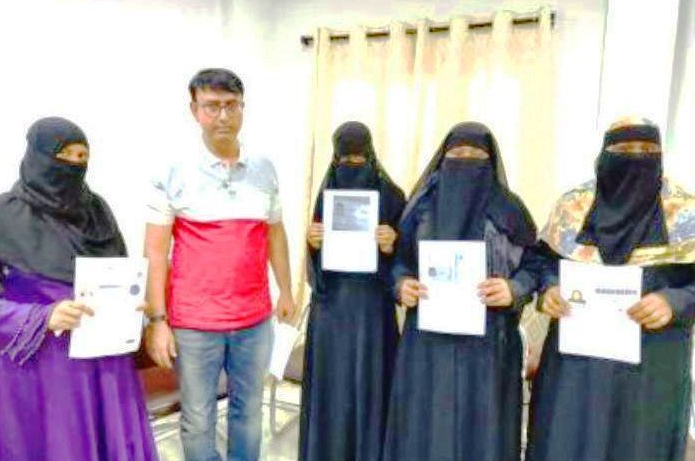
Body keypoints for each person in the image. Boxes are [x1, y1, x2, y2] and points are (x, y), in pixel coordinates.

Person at [0, 117, 158, 461]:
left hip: (105, 363)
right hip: (42, 366)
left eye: (81, 157)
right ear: (38, 156)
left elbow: (119, 272)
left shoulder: (97, 211)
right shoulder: (0, 217)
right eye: (64, 156)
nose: (73, 166)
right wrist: (40, 317)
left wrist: (132, 305)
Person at [144, 68, 295, 461]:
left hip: (254, 319)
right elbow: (155, 252)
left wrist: (286, 290)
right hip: (194, 323)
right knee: (198, 418)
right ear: (194, 110)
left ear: (243, 107)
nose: (223, 116)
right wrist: (158, 321)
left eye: (231, 105)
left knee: (248, 413)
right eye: (212, 106)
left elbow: (275, 234)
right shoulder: (173, 170)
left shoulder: (264, 168)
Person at [524, 117, 695, 461]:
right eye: (624, 148)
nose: (636, 157)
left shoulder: (685, 213)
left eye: (647, 149)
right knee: (567, 443)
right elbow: (540, 262)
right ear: (605, 153)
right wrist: (549, 289)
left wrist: (674, 301)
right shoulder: (573, 207)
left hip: (650, 368)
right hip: (576, 368)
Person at [381, 121, 538, 461]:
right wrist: (401, 285)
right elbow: (398, 261)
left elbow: (535, 264)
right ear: (443, 159)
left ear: (490, 161)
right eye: (457, 154)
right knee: (424, 428)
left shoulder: (509, 209)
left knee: (480, 433)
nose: (465, 160)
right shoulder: (420, 208)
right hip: (426, 345)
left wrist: (514, 289)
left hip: (488, 346)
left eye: (475, 156)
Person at [299, 121, 406, 461]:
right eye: (345, 161)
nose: (352, 167)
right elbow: (315, 269)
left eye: (359, 160)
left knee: (370, 386)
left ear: (371, 156)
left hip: (372, 310)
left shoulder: (393, 196)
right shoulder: (327, 192)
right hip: (330, 310)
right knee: (331, 388)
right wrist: (313, 244)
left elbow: (408, 263)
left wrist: (392, 245)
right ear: (335, 159)